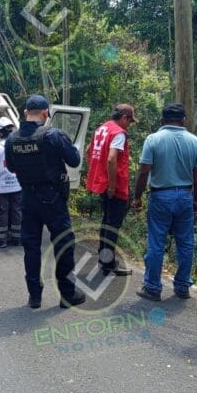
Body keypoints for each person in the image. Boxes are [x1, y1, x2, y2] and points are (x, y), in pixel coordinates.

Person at [5, 94, 85, 310]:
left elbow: (11, 168)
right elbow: (74, 160)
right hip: (53, 199)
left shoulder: (12, 139)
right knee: (63, 244)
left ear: (25, 113)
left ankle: (34, 296)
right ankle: (67, 295)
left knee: (31, 247)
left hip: (27, 199)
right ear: (46, 113)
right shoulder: (53, 135)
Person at [132, 103, 197, 301]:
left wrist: (137, 196)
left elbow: (144, 171)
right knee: (186, 243)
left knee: (156, 242)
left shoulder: (153, 139)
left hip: (161, 196)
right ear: (184, 120)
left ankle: (152, 287)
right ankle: (182, 286)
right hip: (185, 196)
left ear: (162, 120)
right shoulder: (195, 141)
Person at [85, 103, 137, 276]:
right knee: (113, 225)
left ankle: (104, 260)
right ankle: (108, 263)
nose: (129, 125)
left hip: (102, 183)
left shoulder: (102, 128)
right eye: (130, 121)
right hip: (115, 186)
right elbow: (111, 159)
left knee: (106, 221)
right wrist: (113, 186)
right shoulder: (118, 133)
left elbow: (88, 151)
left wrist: (96, 171)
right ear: (124, 117)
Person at [0, 116, 22, 248]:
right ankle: (17, 238)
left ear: (0, 133)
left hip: (2, 186)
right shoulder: (18, 145)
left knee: (2, 212)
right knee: (17, 211)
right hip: (17, 185)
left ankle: (2, 240)